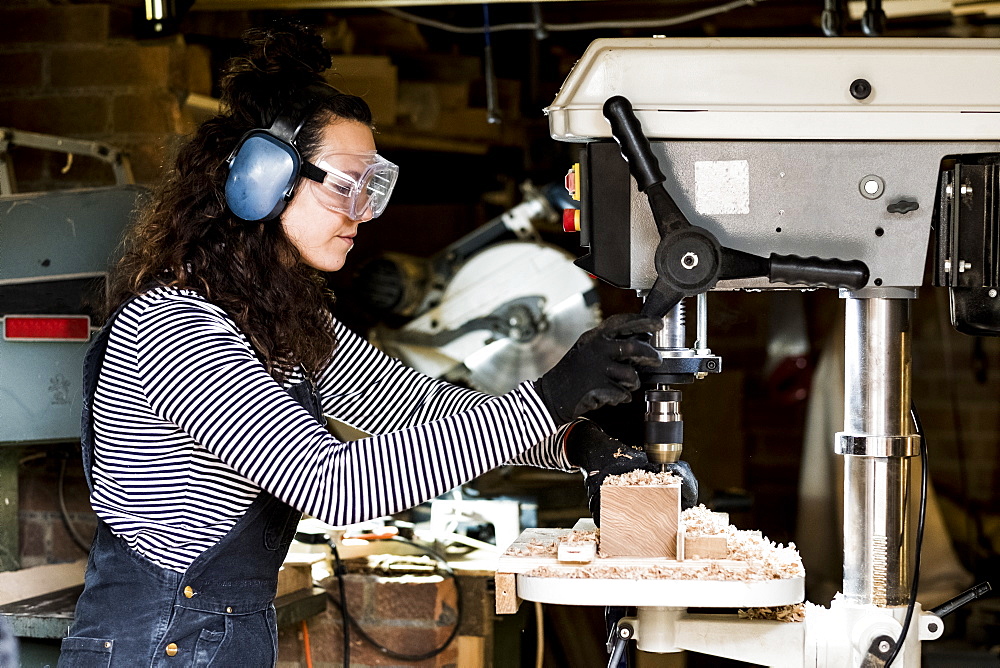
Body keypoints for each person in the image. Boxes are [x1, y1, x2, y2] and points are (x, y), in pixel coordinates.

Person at [58, 23, 695, 667]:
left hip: (215, 636)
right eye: (344, 184)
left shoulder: (275, 320)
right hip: (155, 645)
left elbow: (410, 405)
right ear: (262, 178)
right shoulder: (174, 327)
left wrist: (577, 441)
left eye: (373, 188)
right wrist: (552, 396)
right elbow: (336, 490)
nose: (361, 212)